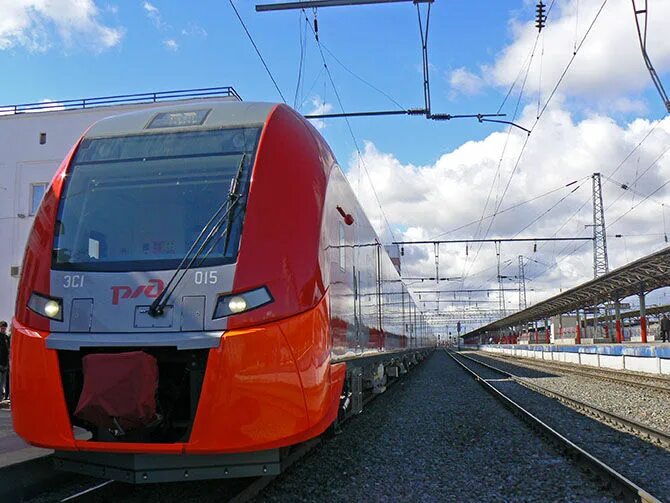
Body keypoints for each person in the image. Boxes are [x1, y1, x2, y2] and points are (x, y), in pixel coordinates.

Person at [0, 321, 9, 401]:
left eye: (4, 328)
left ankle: (1, 398)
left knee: (3, 382)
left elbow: (8, 350)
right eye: (2, 328)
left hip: (5, 364)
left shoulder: (6, 337)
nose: (3, 329)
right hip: (0, 363)